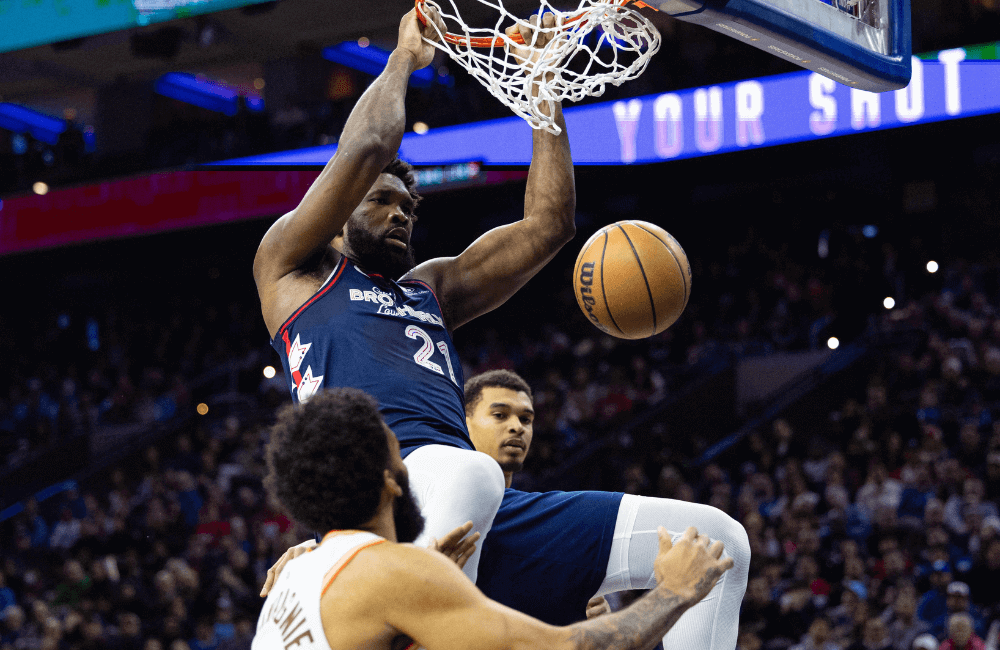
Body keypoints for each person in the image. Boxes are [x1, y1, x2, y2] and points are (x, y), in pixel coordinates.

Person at [252, 6, 574, 585]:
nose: (400, 214)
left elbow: (549, 224)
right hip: (375, 485)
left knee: (715, 539)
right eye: (381, 201)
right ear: (335, 214)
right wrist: (404, 58)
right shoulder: (291, 268)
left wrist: (543, 89)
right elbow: (370, 145)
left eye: (408, 207)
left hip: (456, 480)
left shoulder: (432, 289)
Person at [264, 369, 751, 650]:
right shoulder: (393, 573)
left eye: (525, 418)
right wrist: (675, 592)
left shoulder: (295, 578)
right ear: (390, 479)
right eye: (404, 456)